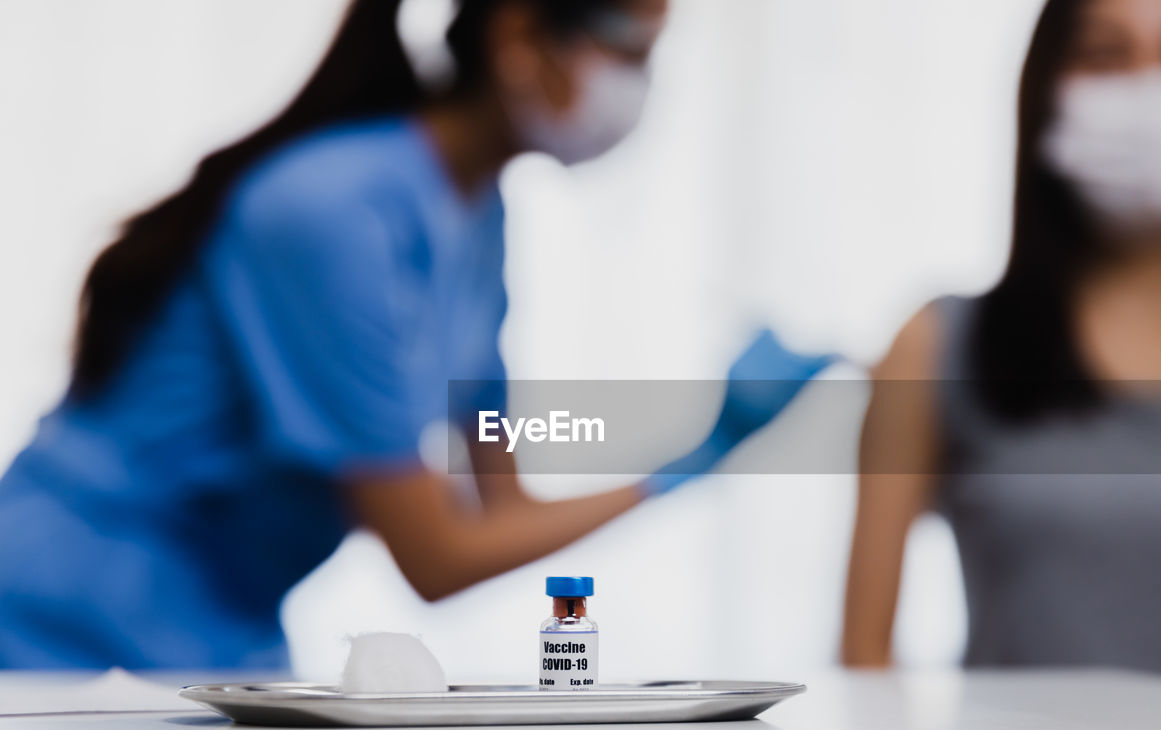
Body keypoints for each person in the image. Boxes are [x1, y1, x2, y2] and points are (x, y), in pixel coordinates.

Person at [0, 0, 830, 668]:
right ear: (516, 33)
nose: (636, 89)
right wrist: (688, 460)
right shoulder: (331, 213)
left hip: (217, 629)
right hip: (63, 617)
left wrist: (693, 449)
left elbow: (501, 504)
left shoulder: (481, 219)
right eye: (627, 52)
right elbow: (436, 557)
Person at [842, 0, 1161, 685]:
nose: (1149, 90)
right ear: (1045, 91)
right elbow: (863, 660)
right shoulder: (935, 347)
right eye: (1106, 56)